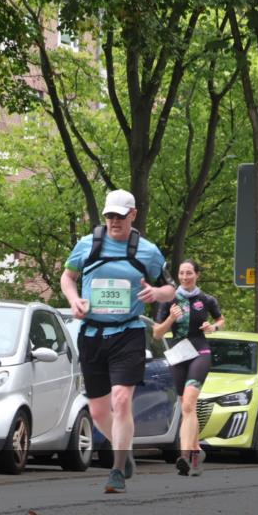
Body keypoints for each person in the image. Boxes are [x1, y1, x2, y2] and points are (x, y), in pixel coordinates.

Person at [60, 189, 176, 494]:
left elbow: (171, 290)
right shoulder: (88, 244)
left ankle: (116, 469)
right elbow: (67, 277)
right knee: (98, 412)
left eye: (120, 217)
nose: (114, 222)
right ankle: (124, 451)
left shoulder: (148, 252)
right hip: (92, 335)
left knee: (122, 400)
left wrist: (155, 293)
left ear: (133, 215)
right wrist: (74, 301)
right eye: (110, 216)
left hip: (128, 333)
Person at [152, 260, 224, 477]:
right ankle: (196, 450)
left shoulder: (206, 300)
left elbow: (220, 319)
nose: (185, 277)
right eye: (182, 273)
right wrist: (171, 319)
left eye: (189, 273)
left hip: (200, 352)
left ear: (197, 275)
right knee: (185, 407)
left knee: (190, 403)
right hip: (178, 354)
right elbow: (157, 333)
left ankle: (185, 456)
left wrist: (213, 327)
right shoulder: (169, 300)